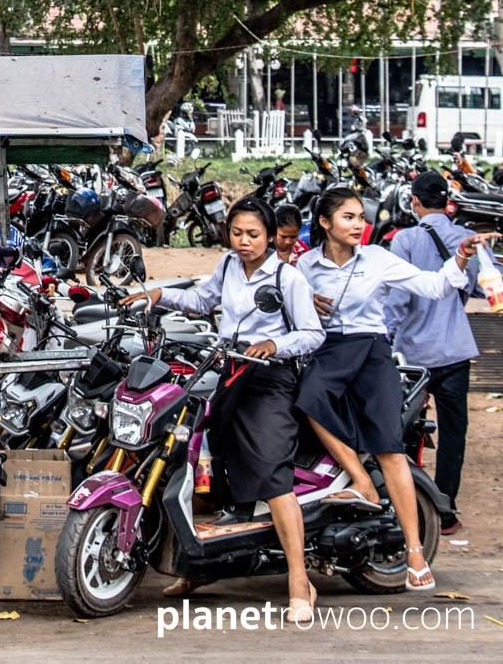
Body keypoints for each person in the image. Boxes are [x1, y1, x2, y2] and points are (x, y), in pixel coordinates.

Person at [121, 196, 326, 623]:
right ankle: (198, 570)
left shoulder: (288, 278)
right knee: (199, 464)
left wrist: (274, 344)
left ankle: (298, 581)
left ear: (270, 236)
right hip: (228, 370)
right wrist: (158, 295)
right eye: (237, 233)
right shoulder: (229, 266)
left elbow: (312, 333)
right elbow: (201, 301)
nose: (244, 242)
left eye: (253, 234)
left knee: (272, 474)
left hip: (270, 378)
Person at [294, 186, 499, 592]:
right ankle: (361, 482)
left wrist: (461, 256)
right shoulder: (305, 267)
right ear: (324, 223)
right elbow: (283, 300)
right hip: (328, 350)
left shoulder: (378, 259)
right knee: (308, 399)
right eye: (348, 217)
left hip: (372, 351)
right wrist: (302, 300)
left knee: (390, 447)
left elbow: (435, 286)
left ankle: (415, 552)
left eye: (360, 217)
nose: (358, 224)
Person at [385, 172, 502, 535]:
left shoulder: (403, 240)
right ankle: (446, 508)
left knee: (400, 431)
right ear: (447, 203)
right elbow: (491, 286)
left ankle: (403, 504)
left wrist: (385, 343)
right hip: (454, 351)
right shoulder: (467, 239)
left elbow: (397, 301)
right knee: (454, 432)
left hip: (411, 356)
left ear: (415, 202)